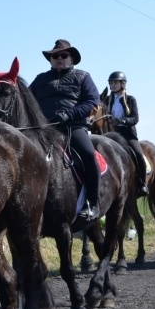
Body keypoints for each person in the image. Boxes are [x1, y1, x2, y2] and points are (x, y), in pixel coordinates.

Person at [29, 39, 102, 221]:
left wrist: (69, 114)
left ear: (72, 59)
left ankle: (92, 203)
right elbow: (27, 101)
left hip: (73, 127)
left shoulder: (83, 77)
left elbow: (92, 101)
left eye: (63, 55)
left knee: (88, 155)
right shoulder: (40, 79)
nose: (59, 58)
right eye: (55, 56)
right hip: (44, 129)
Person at [103, 71, 148, 196]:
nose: (113, 85)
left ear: (123, 84)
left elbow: (135, 119)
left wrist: (121, 120)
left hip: (128, 134)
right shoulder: (107, 100)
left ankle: (142, 184)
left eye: (115, 82)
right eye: (111, 83)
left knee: (139, 155)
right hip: (111, 133)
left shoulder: (130, 99)